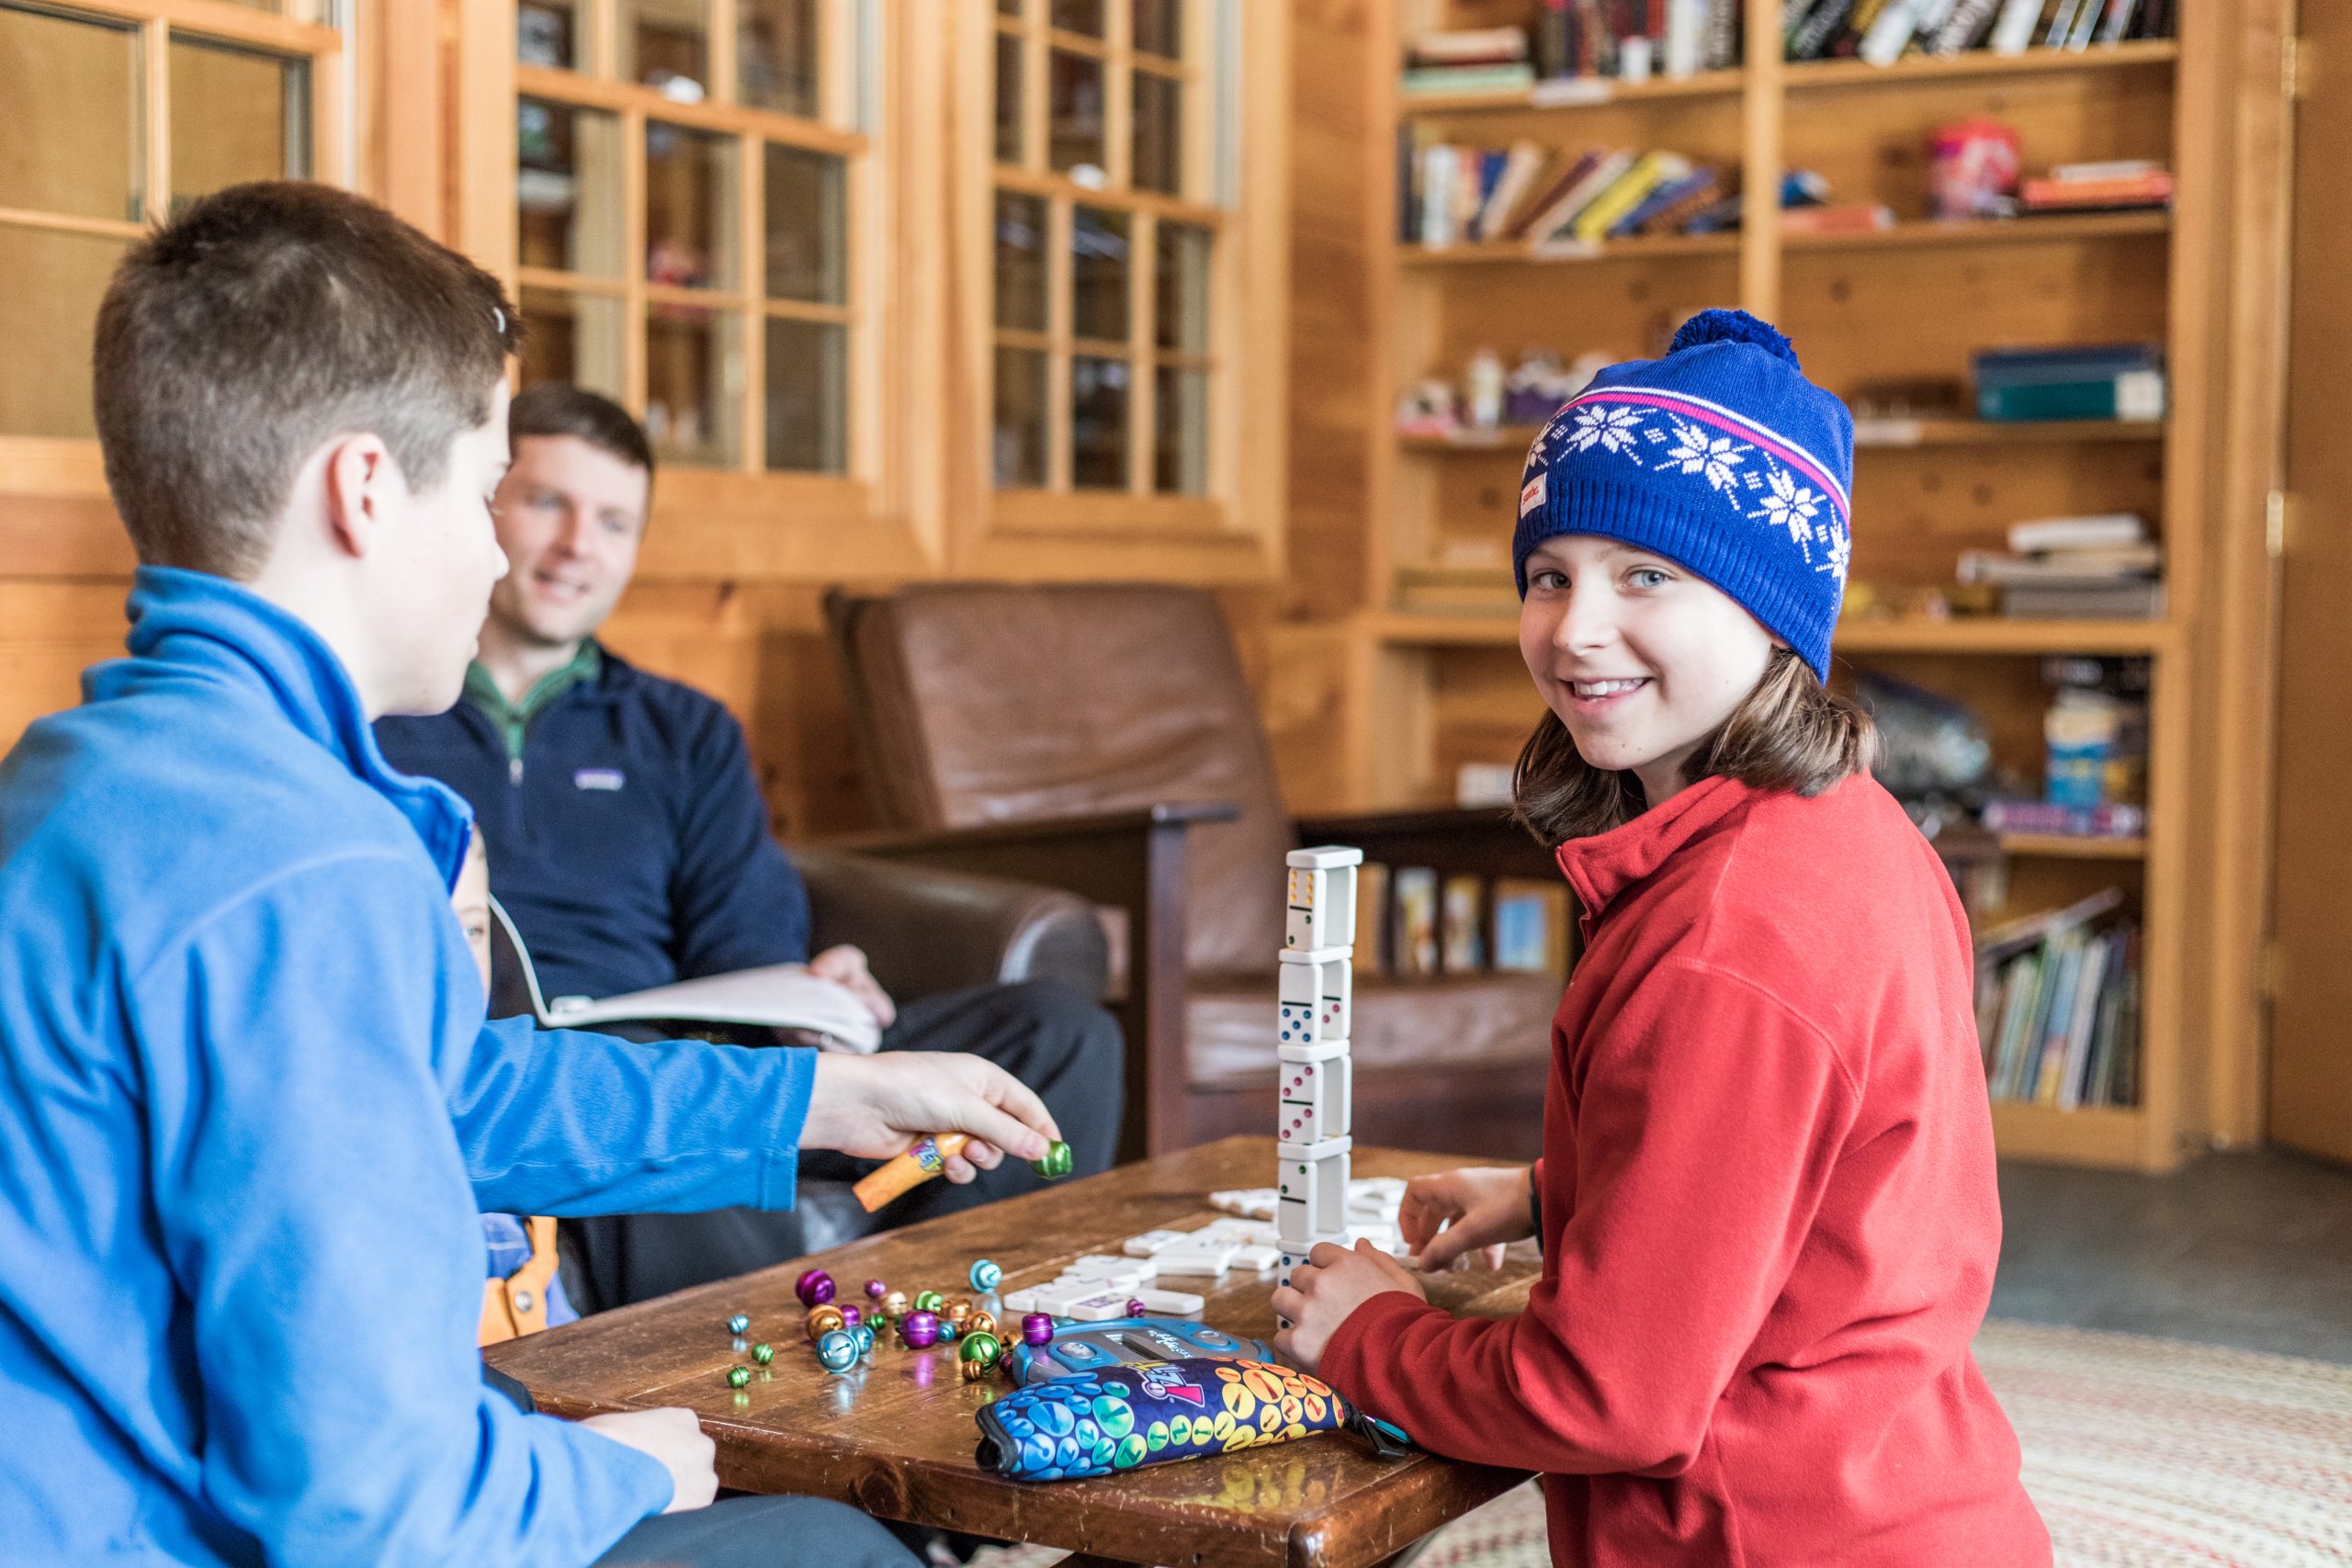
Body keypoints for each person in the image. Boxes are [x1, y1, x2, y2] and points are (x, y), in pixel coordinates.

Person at [0, 180, 1061, 1567]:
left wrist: (823, 1090)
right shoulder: (300, 861)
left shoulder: (70, 774)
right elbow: (371, 1511)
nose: (503, 548)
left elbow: (444, 1085)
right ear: (366, 488)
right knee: (826, 1548)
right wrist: (598, 1470)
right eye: (493, 488)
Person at [1272, 311, 2052, 1566]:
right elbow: (1813, 1167)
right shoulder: (1849, 829)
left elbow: (1609, 1393)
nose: (1576, 626)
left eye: (1648, 575)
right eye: (1549, 573)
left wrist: (1375, 1330)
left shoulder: (1726, 941)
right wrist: (1554, 1195)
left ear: (1772, 609)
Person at [373, 384, 1124, 1311]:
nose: (578, 546)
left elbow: (746, 942)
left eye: (614, 522)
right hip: (558, 1059)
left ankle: (958, 1316)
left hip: (702, 1035)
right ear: (488, 508)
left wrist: (813, 994)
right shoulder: (392, 711)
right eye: (547, 503)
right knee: (645, 1069)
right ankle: (795, 1307)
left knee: (1060, 1031)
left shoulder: (683, 729)